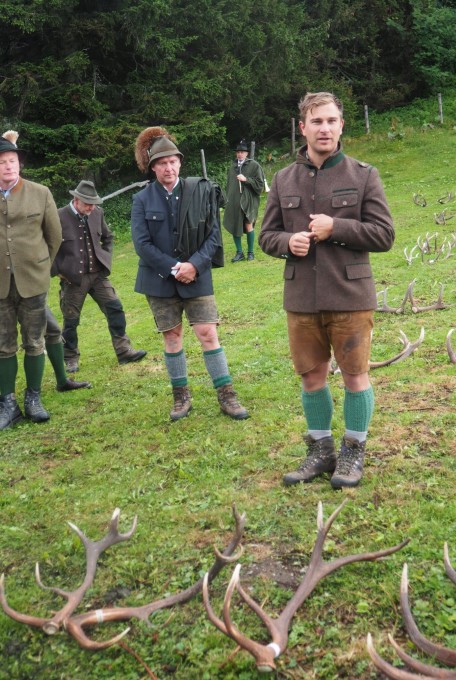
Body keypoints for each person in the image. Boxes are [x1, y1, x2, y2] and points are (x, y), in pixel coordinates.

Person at [259, 92, 394, 488]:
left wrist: (336, 227)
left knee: (355, 376)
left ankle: (353, 451)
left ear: (341, 126)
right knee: (311, 377)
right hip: (302, 298)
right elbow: (266, 235)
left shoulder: (363, 175)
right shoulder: (283, 179)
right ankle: (321, 451)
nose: (325, 128)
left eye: (332, 121)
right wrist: (288, 242)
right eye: (317, 121)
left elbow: (384, 234)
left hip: (350, 296)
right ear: (302, 128)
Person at [131, 126, 248, 422]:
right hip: (160, 281)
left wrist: (194, 265)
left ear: (180, 163)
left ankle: (227, 395)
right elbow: (142, 244)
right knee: (172, 337)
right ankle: (180, 396)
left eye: (173, 161)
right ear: (153, 167)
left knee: (208, 333)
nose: (168, 168)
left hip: (198, 274)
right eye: (162, 163)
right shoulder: (142, 199)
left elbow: (213, 235)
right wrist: (174, 268)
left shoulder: (201, 191)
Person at [0, 130, 62, 430]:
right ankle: (8, 404)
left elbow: (54, 237)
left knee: (35, 341)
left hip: (33, 282)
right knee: (3, 345)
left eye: (12, 160)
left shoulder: (40, 193)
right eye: (2, 162)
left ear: (19, 163)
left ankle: (33, 398)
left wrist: (40, 267)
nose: (8, 166)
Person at [52, 180, 147, 373]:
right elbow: (47, 246)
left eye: (94, 203)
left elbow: (108, 237)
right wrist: (59, 271)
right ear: (76, 200)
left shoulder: (97, 213)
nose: (91, 207)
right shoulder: (58, 216)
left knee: (115, 309)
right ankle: (70, 359)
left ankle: (124, 351)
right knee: (71, 320)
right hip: (72, 280)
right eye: (88, 203)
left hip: (98, 275)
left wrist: (105, 258)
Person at [223, 139, 265, 262]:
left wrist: (246, 179)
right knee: (235, 225)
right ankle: (239, 253)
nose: (239, 154)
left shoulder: (254, 165)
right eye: (238, 152)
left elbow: (260, 184)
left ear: (247, 153)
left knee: (248, 224)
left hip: (249, 201)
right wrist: (227, 199)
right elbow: (229, 185)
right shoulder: (233, 167)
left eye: (242, 152)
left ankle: (250, 252)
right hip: (234, 201)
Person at [44, 306, 92, 391]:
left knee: (53, 331)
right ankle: (29, 392)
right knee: (31, 342)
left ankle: (62, 382)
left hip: (33, 299)